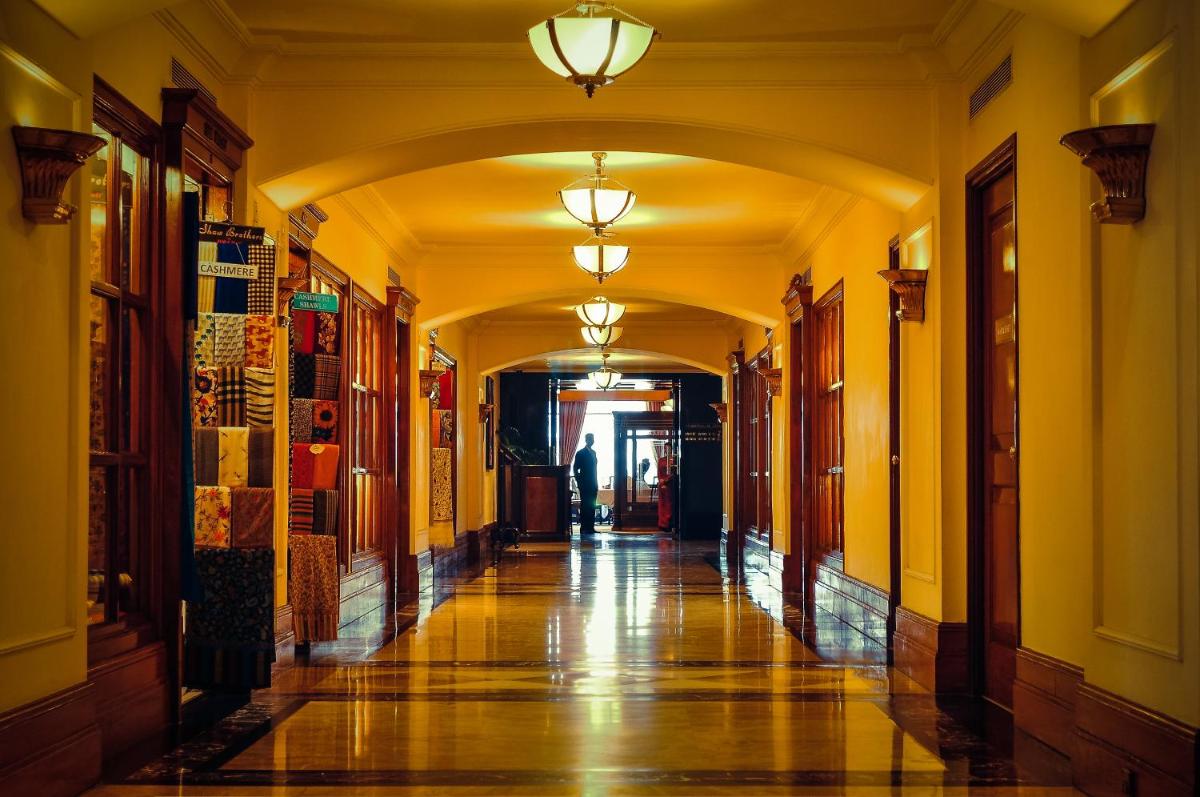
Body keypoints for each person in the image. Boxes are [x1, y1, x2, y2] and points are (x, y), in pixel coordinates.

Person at [573, 433, 599, 534]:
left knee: (592, 506)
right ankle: (584, 528)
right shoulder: (580, 453)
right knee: (585, 506)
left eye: (593, 439)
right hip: (585, 484)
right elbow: (575, 468)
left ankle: (591, 527)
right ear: (586, 440)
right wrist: (579, 481)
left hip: (593, 484)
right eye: (590, 439)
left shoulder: (594, 452)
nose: (592, 441)